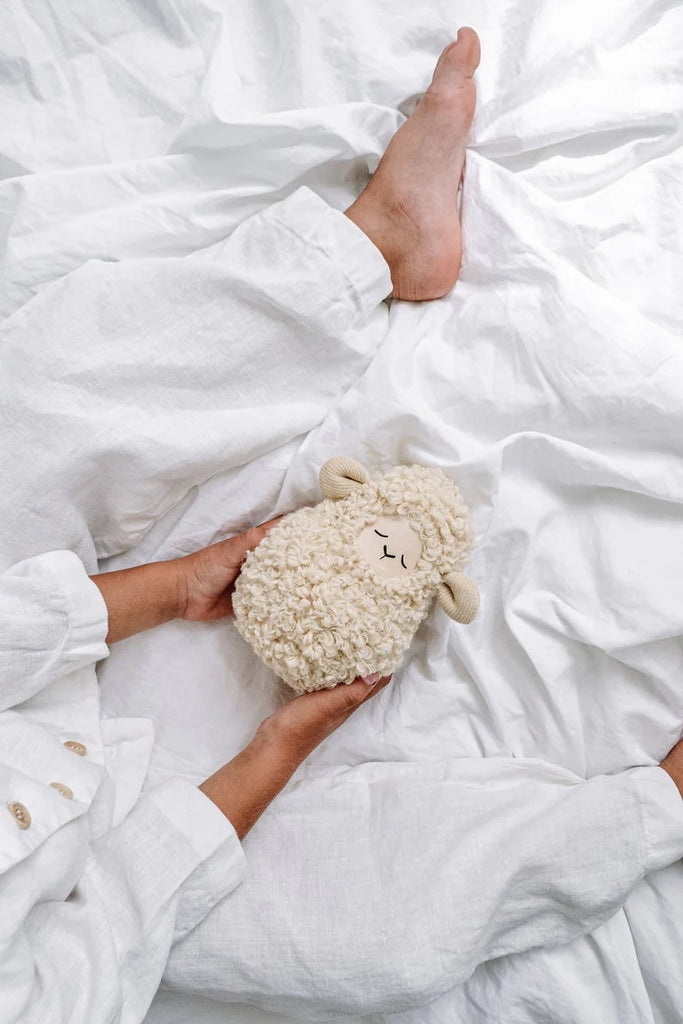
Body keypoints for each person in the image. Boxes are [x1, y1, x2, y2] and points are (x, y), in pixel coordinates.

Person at [1, 27, 682, 1024]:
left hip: (32, 650)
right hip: (117, 850)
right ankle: (653, 806)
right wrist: (278, 746)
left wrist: (167, 588)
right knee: (370, 937)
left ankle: (378, 240)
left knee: (44, 395)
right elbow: (107, 930)